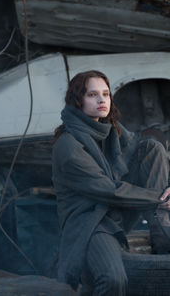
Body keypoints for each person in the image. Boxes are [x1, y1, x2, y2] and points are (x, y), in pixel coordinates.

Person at [52, 70, 170, 296]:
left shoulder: (110, 128)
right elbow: (107, 190)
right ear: (78, 100)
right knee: (113, 279)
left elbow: (141, 151)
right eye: (92, 95)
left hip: (115, 213)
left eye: (105, 94)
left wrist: (166, 189)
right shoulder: (68, 145)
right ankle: (160, 211)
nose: (101, 100)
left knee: (152, 148)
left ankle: (161, 231)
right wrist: (160, 198)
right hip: (90, 222)